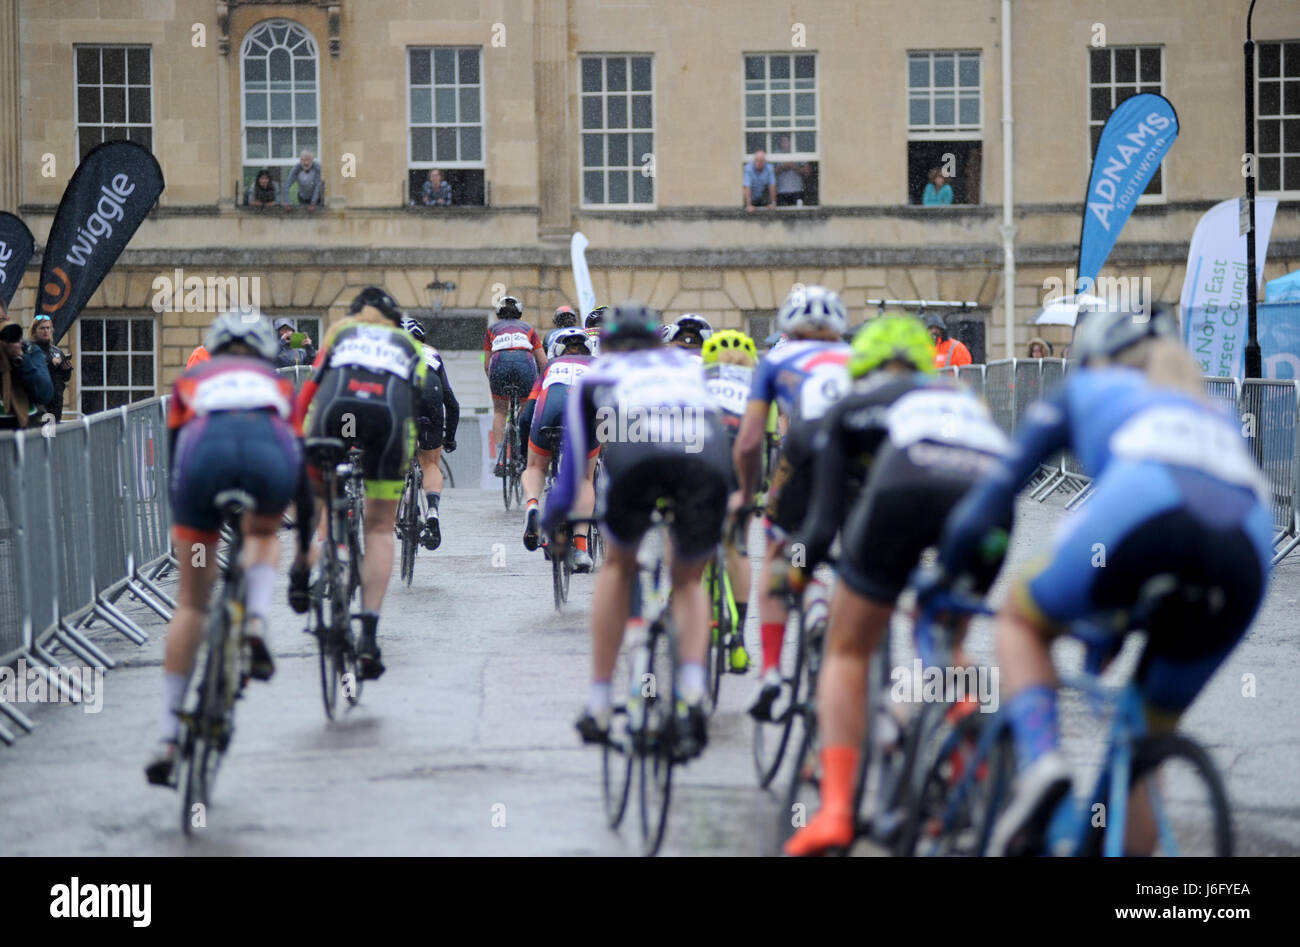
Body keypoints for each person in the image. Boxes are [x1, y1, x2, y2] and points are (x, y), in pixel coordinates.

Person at [930, 305, 1272, 856]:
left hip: (1143, 508)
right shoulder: (1213, 409)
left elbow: (992, 499)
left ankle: (1043, 768)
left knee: (1020, 619)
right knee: (1145, 743)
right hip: (1249, 548)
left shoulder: (1088, 387)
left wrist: (947, 574)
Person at [777, 316, 1012, 856]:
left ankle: (836, 810)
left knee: (848, 647)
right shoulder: (962, 398)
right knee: (948, 641)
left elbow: (819, 527)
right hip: (990, 497)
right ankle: (972, 753)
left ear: (864, 367)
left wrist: (793, 571)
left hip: (906, 487)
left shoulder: (852, 405)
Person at [544, 303, 731, 758]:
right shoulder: (694, 369)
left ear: (603, 344)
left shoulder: (597, 374)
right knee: (687, 580)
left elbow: (573, 473)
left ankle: (600, 701)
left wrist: (555, 525)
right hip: (703, 461)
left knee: (618, 566)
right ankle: (690, 690)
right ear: (657, 342)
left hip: (635, 460)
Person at [145, 310, 312, 785]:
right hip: (266, 465)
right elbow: (300, 474)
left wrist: (189, 530)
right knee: (260, 535)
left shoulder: (192, 382)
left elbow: (175, 461)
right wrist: (302, 551)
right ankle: (256, 619)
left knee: (193, 602)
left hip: (203, 471)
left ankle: (168, 735)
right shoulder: (279, 387)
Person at [728, 285, 852, 720]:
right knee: (858, 558)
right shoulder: (860, 359)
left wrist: (747, 490)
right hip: (867, 458)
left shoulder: (777, 359)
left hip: (806, 449)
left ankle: (771, 673)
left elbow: (748, 442)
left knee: (782, 553)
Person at [292, 286, 426, 680]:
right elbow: (417, 402)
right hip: (388, 416)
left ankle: (314, 562)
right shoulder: (408, 344)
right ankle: (368, 636)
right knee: (382, 527)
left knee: (318, 497)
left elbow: (311, 388)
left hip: (334, 410)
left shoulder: (341, 330)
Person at [701, 328, 761, 673]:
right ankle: (738, 641)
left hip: (700, 454)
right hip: (742, 460)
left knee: (690, 539)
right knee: (737, 544)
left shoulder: (699, 377)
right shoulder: (756, 383)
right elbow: (768, 439)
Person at [521, 327, 597, 572]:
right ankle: (582, 548)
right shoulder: (596, 365)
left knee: (536, 467)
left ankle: (532, 505)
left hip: (549, 411)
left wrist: (527, 454)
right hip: (584, 415)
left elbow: (527, 415)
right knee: (586, 478)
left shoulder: (549, 368)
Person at [401, 316, 459, 550]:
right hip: (430, 396)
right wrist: (449, 437)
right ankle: (433, 513)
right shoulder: (432, 353)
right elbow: (451, 402)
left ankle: (405, 500)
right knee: (430, 463)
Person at [484, 296, 547, 476]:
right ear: (519, 312)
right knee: (527, 407)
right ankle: (522, 447)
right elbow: (543, 362)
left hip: (499, 363)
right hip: (524, 363)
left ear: (499, 314)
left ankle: (501, 459)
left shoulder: (491, 329)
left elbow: (487, 365)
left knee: (500, 411)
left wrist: (495, 385)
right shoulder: (528, 328)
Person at [0, 304, 53, 430]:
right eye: (42, 328)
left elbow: (44, 393)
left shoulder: (28, 350)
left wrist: (20, 358)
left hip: (25, 438)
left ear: (7, 320)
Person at [28, 314, 72, 422]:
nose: (45, 331)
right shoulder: (30, 350)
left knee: (52, 435)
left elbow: (65, 378)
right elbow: (31, 372)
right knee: (41, 435)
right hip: (39, 403)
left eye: (48, 328)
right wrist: (50, 364)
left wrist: (66, 370)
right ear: (34, 331)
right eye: (42, 328)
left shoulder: (56, 351)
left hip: (56, 402)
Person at [774, 135, 810, 206]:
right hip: (781, 192)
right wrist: (783, 167)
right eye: (782, 142)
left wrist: (794, 167)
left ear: (791, 143)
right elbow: (770, 172)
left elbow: (807, 171)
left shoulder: (799, 154)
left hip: (797, 191)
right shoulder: (776, 155)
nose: (784, 144)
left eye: (786, 142)